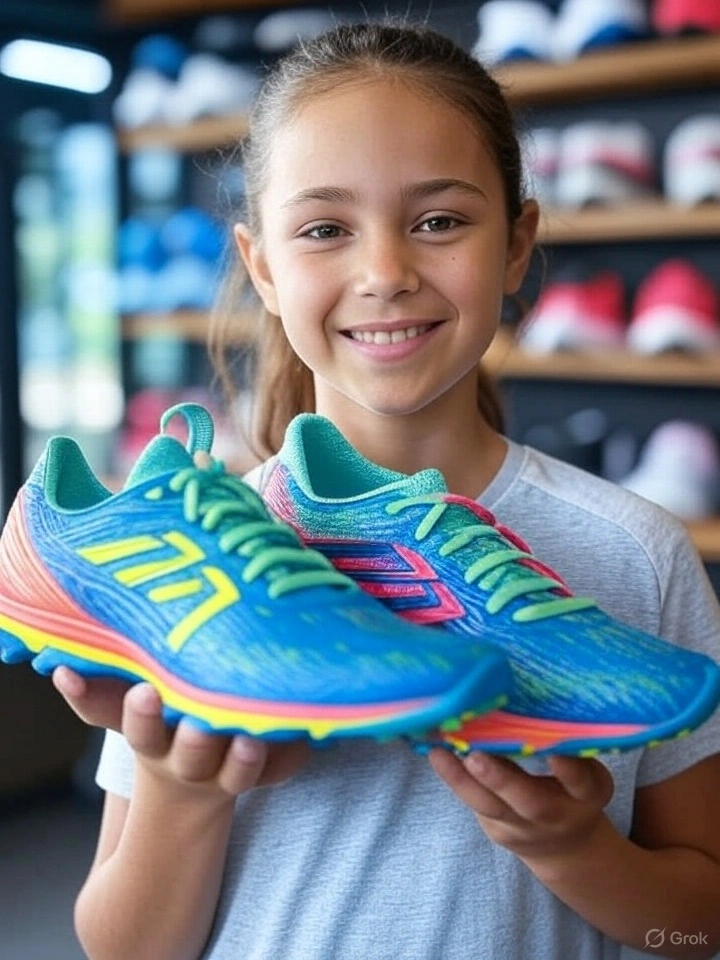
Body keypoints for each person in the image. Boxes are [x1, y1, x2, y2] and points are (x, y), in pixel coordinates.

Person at [53, 20, 720, 960]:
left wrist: (574, 850)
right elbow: (122, 949)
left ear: (518, 243)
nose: (385, 274)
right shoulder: (190, 557)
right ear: (263, 268)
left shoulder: (635, 555)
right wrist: (182, 790)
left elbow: (698, 924)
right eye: (326, 229)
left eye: (440, 220)